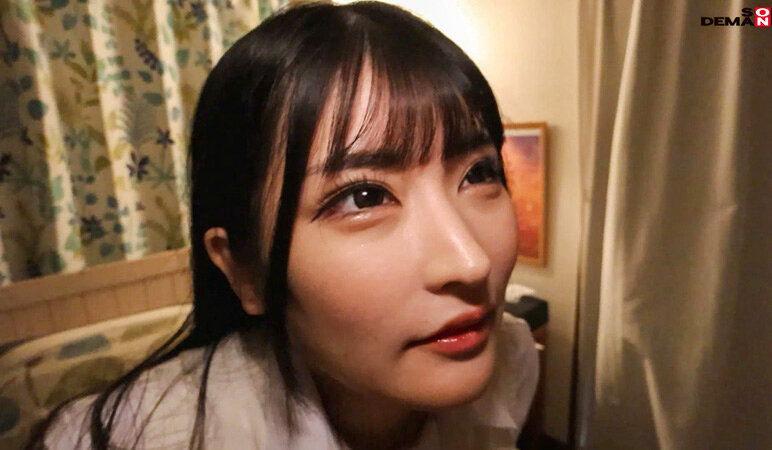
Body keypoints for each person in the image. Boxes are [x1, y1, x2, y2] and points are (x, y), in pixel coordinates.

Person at [29, 2, 539, 449]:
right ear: (246, 270)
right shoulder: (130, 437)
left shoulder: (510, 360)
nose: (470, 262)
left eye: (479, 173)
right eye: (364, 197)